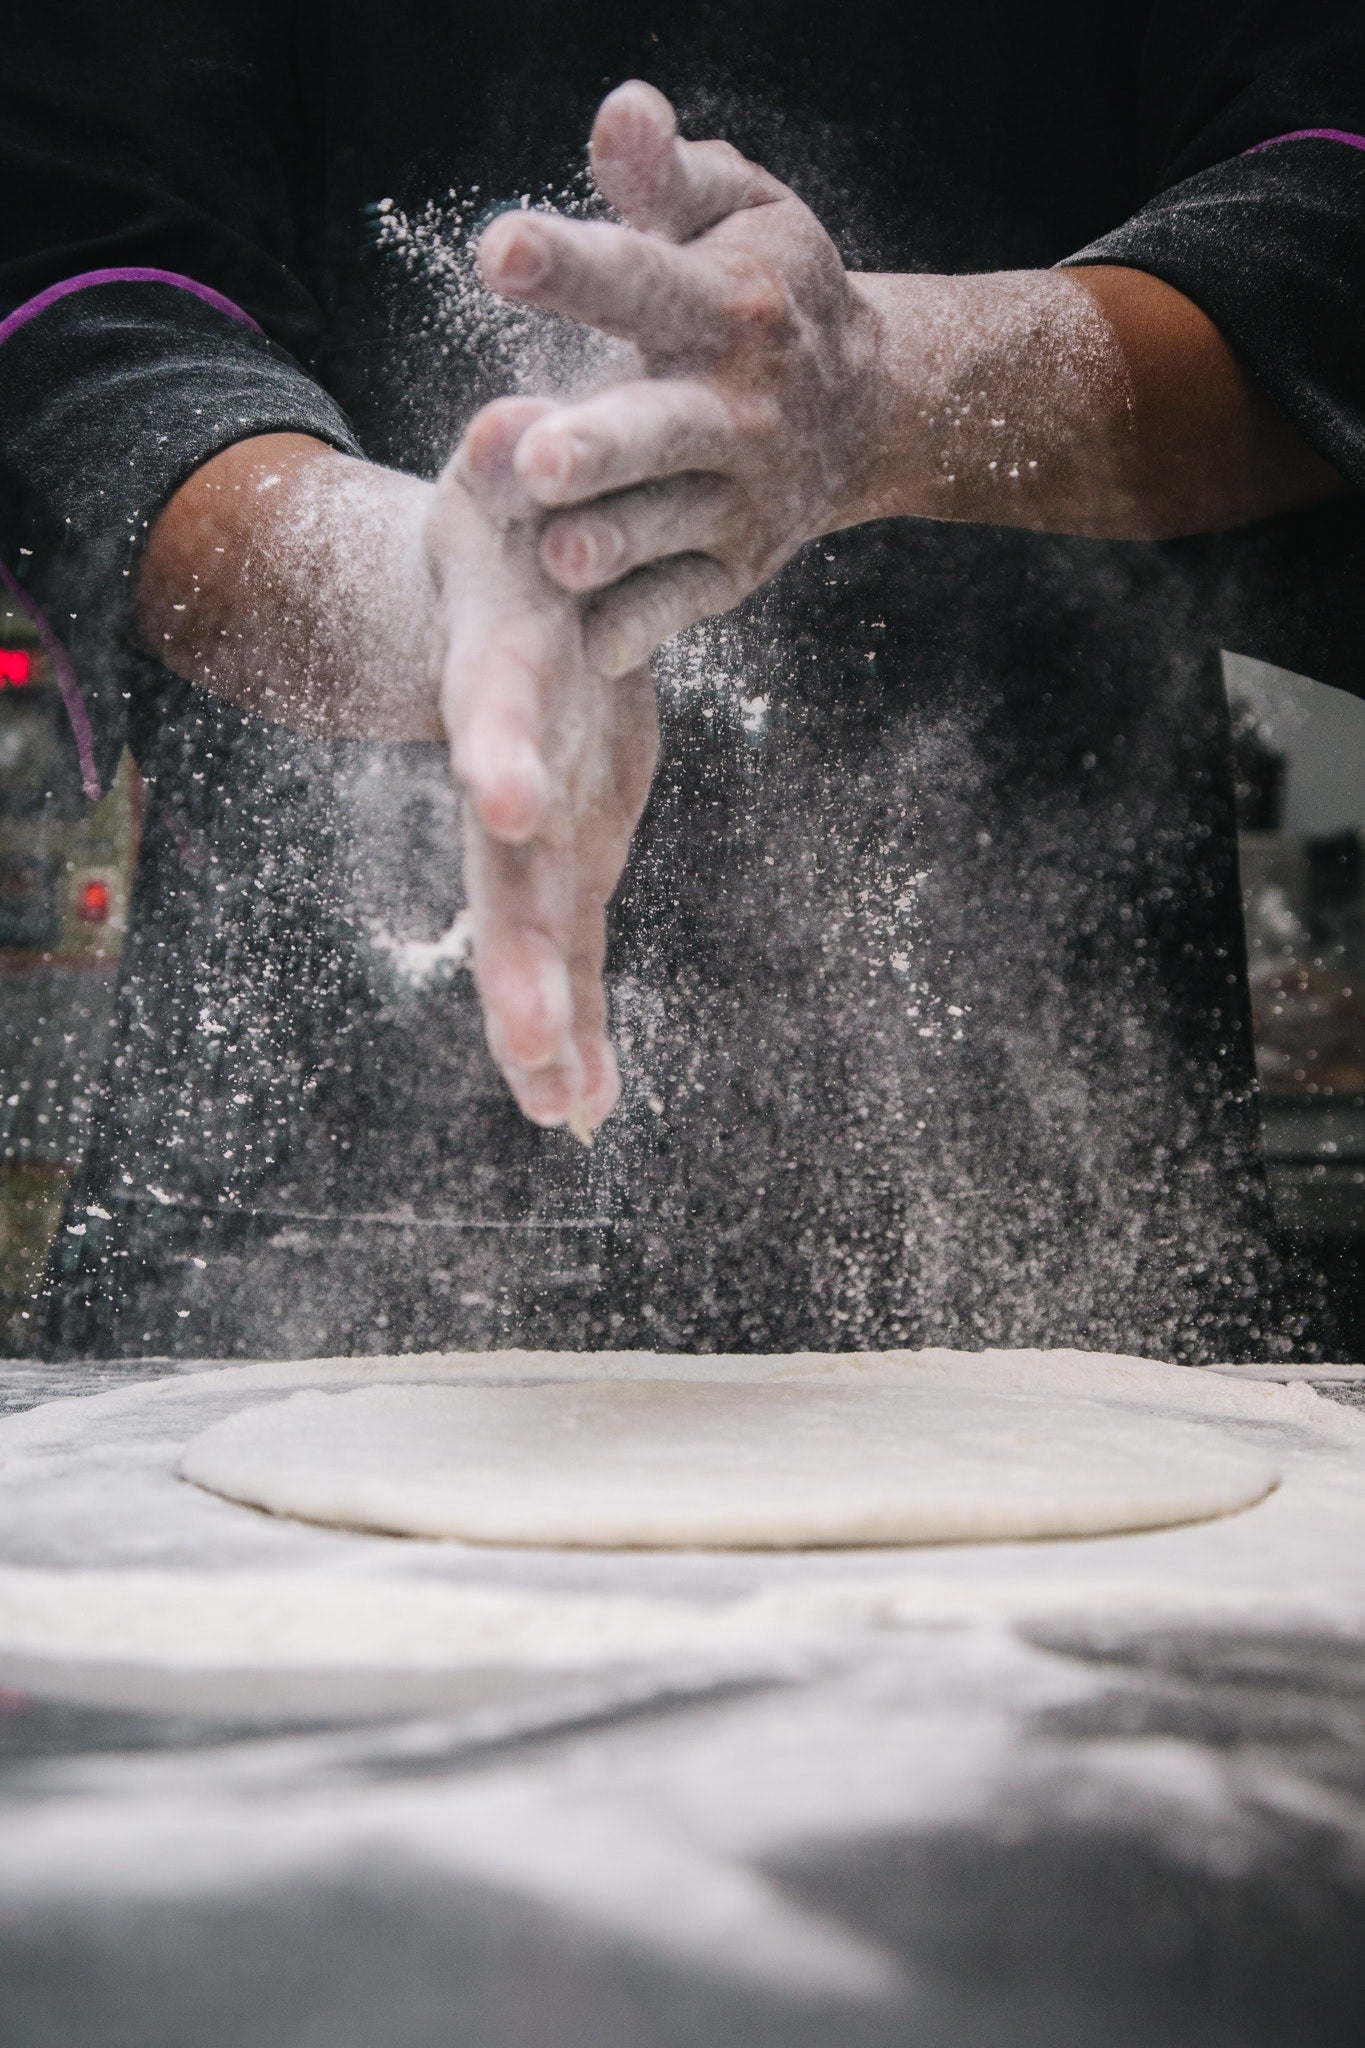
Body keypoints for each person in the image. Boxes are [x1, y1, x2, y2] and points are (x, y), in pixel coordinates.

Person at [2, 3, 1363, 1362]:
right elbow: (86, 292)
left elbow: (1329, 209)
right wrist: (427, 597)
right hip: (312, 1203)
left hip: (1064, 1168)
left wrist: (896, 389)